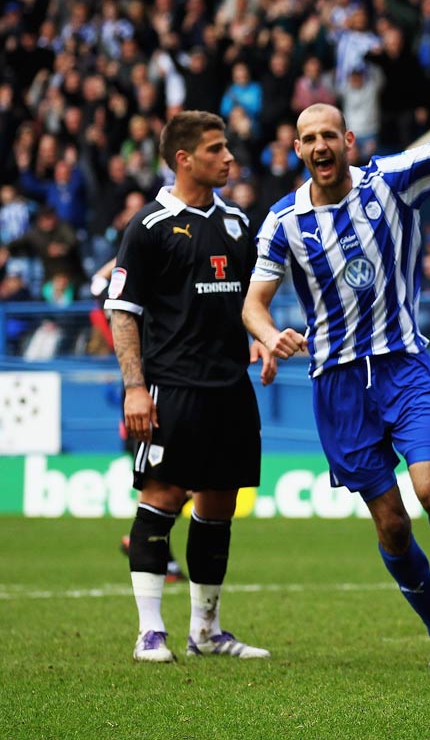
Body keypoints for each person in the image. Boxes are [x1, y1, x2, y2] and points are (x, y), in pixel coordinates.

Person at [241, 32, 430, 668]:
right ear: (297, 150)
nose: (319, 146)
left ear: (348, 142)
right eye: (307, 139)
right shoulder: (282, 221)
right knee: (390, 520)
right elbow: (253, 301)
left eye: (329, 135)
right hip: (336, 383)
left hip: (401, 364)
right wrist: (267, 333)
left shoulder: (390, 179)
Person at [105, 110, 276, 663]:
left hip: (230, 387)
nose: (229, 158)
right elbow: (123, 312)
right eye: (216, 149)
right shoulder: (148, 226)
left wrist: (260, 339)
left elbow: (250, 303)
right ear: (183, 159)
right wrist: (135, 388)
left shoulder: (236, 222)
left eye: (227, 148)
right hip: (172, 388)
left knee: (218, 507)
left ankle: (206, 630)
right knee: (162, 497)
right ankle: (149, 631)